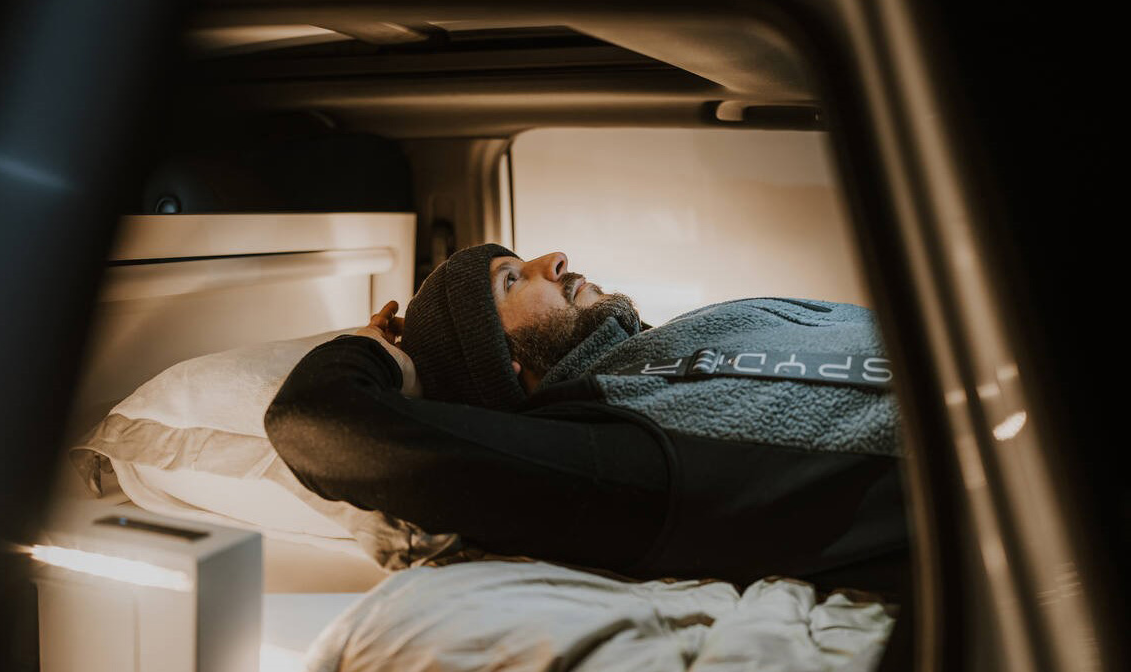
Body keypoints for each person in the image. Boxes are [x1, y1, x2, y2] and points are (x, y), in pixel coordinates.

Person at [265, 243, 909, 594]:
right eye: (513, 281)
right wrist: (371, 352)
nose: (555, 260)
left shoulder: (694, 332)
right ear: (502, 363)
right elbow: (314, 420)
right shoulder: (606, 441)